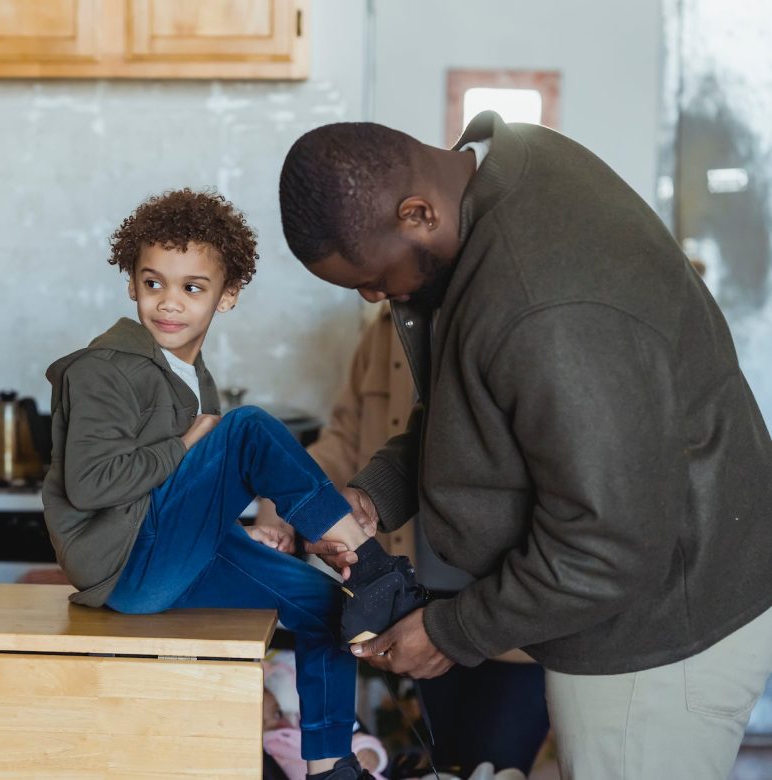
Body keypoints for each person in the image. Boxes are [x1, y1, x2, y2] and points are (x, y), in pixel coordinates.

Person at [276, 113, 772, 779]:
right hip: (650, 588)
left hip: (660, 635)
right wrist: (376, 492)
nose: (371, 296)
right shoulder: (515, 163)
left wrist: (452, 632)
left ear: (418, 213)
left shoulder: (546, 307)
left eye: (370, 277)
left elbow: (606, 547)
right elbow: (487, 414)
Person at [41, 188, 426, 780]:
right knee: (247, 428)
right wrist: (190, 443)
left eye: (193, 287)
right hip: (124, 565)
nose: (169, 303)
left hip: (174, 556)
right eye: (153, 283)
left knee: (331, 608)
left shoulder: (195, 381)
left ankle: (329, 765)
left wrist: (257, 527)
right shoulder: (103, 369)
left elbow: (190, 494)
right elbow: (91, 483)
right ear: (131, 285)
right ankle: (373, 566)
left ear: (228, 296)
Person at [255, 308, 550, 776]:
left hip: (509, 600)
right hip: (421, 597)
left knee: (496, 761)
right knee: (447, 757)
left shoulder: (504, 321)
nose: (369, 292)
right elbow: (345, 438)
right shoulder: (386, 330)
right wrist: (280, 495)